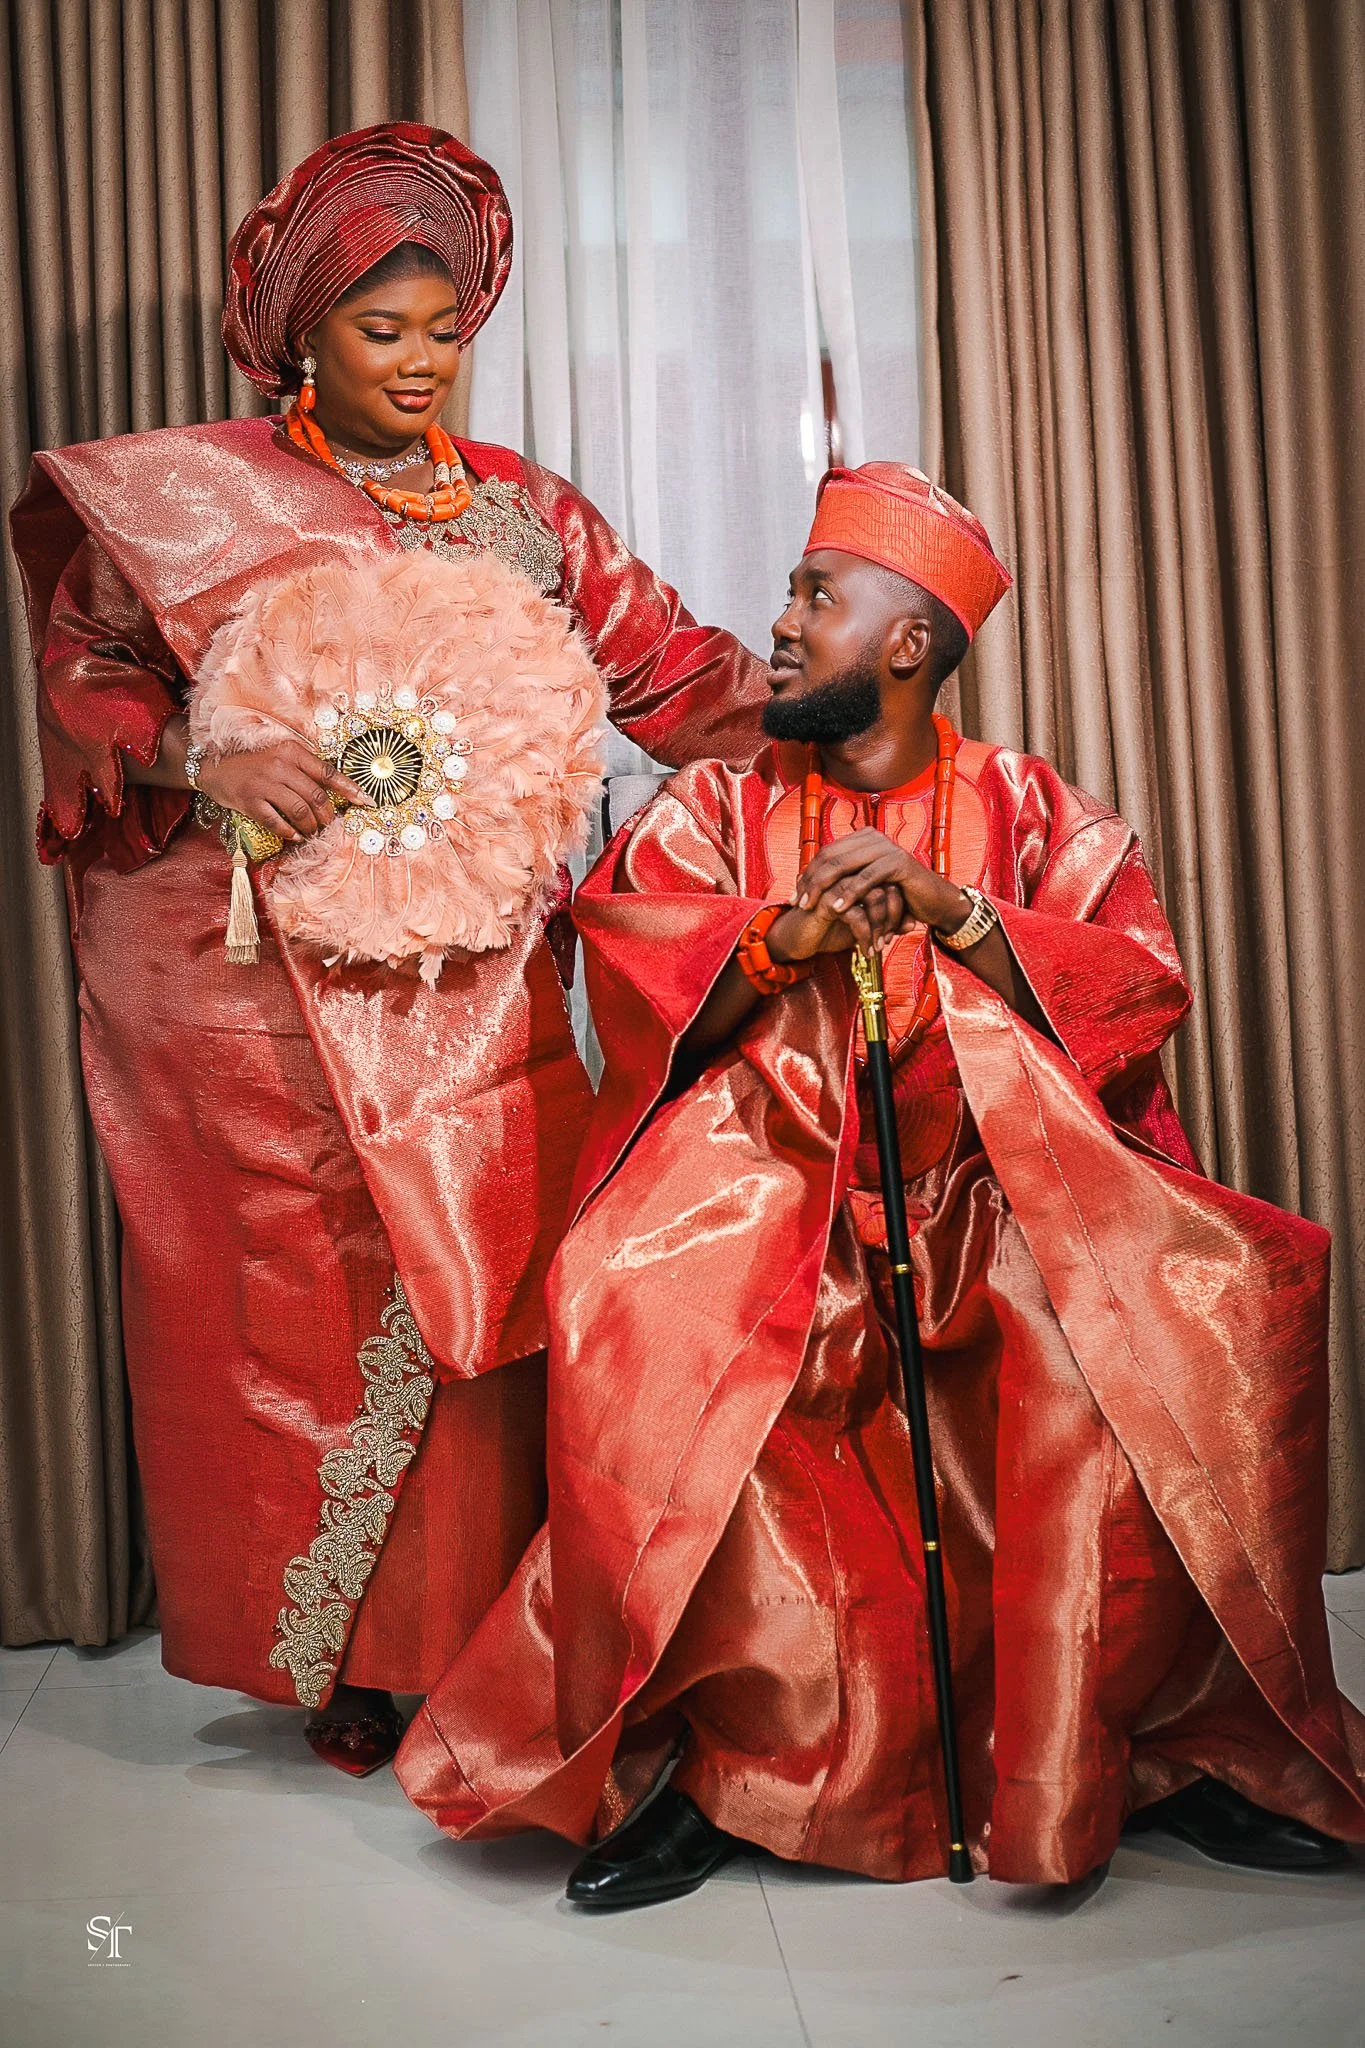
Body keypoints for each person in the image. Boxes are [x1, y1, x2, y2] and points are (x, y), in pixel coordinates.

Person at [396, 461, 1365, 1898]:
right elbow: (643, 984)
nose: (780, 626)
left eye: (815, 596)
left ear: (907, 642)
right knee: (646, 1310)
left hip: (999, 1200)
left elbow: (1134, 992)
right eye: (792, 594)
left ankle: (1141, 1748)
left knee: (1137, 1330)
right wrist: (777, 944)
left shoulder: (1032, 809)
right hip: (777, 1196)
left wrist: (958, 915)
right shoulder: (717, 806)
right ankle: (726, 1768)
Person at [8, 123, 767, 1775]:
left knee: (477, 1289)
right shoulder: (199, 505)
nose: (421, 364)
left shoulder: (520, 509)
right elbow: (88, 676)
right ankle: (342, 1662)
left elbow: (670, 673)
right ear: (304, 333)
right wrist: (197, 755)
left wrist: (833, 708)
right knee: (296, 1317)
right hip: (260, 993)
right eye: (381, 331)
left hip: (467, 977)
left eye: (445, 330)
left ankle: (479, 1641)